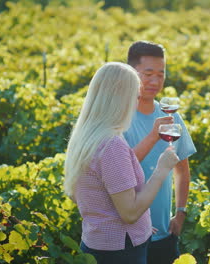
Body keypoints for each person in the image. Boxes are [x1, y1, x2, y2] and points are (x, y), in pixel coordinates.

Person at [63, 62, 179, 264]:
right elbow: (130, 213)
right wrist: (162, 169)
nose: (137, 102)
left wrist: (139, 227)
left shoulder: (86, 136)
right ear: (121, 99)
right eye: (135, 95)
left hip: (97, 243)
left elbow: (80, 195)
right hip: (120, 253)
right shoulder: (111, 145)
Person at [124, 41, 197, 264]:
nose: (155, 81)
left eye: (161, 74)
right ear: (131, 73)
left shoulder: (171, 117)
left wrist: (181, 212)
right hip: (127, 235)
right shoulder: (119, 118)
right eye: (148, 74)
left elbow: (182, 170)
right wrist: (153, 135)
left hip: (164, 234)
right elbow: (119, 169)